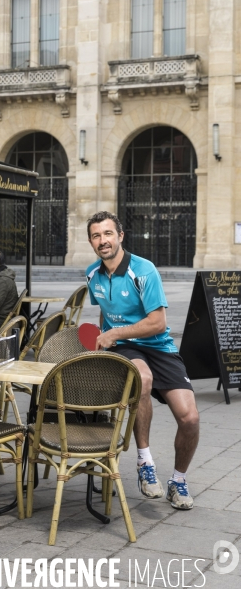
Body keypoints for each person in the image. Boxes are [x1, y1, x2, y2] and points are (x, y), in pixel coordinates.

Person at [85, 211, 199, 510]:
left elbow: (159, 323)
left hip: (159, 346)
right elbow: (104, 311)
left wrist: (114, 332)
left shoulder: (144, 270)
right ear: (91, 242)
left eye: (108, 233)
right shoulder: (91, 275)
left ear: (120, 236)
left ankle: (178, 480)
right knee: (143, 379)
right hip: (125, 348)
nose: (102, 240)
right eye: (96, 236)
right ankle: (144, 462)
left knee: (190, 418)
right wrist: (105, 339)